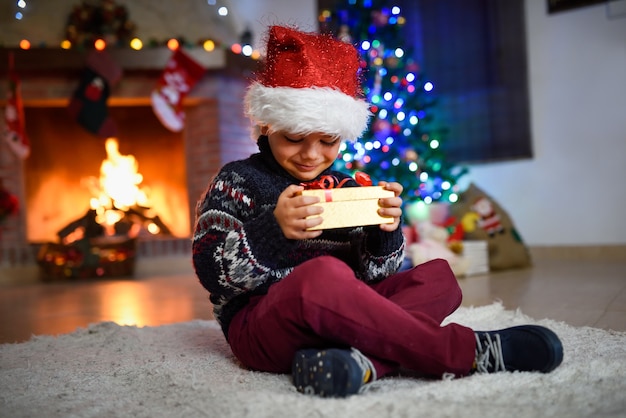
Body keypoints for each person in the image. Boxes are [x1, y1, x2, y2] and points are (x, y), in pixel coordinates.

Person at [192, 25, 563, 398]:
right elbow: (211, 272)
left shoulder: (348, 187)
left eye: (328, 141)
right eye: (293, 139)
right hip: (262, 327)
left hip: (339, 319)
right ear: (266, 124)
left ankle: (360, 361)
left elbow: (376, 275)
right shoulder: (238, 180)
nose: (311, 155)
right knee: (322, 275)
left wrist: (385, 231)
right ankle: (464, 352)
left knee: (438, 279)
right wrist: (273, 230)